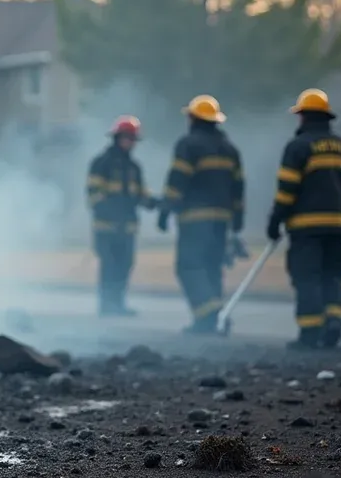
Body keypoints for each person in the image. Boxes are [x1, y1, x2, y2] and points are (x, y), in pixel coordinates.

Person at [267, 88, 341, 349]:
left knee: (306, 277)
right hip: (336, 226)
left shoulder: (298, 147)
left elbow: (287, 190)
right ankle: (334, 322)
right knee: (332, 275)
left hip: (305, 228)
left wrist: (275, 221)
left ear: (303, 117)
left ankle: (309, 334)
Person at [157, 95, 245, 334]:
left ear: (193, 119)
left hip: (194, 220)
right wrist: (237, 224)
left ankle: (211, 316)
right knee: (212, 267)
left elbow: (177, 180)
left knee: (189, 267)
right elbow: (238, 189)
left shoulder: (188, 145)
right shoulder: (230, 149)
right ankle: (212, 320)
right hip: (221, 222)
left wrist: (165, 211)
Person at [86, 116, 158, 316]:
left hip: (127, 228)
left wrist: (155, 203)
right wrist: (111, 213)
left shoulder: (134, 167)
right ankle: (106, 305)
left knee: (125, 266)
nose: (131, 143)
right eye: (128, 138)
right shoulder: (101, 163)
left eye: (133, 139)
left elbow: (141, 194)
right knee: (109, 266)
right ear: (117, 138)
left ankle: (118, 304)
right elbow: (94, 194)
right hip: (106, 227)